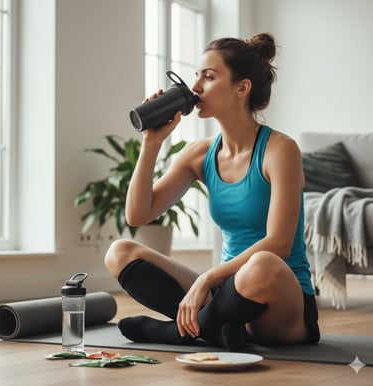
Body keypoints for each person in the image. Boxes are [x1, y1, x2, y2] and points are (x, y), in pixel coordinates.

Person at [104, 33, 320, 351]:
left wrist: (206, 279)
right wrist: (151, 143)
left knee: (262, 262)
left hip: (278, 300)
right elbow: (138, 214)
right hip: (225, 296)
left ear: (241, 88)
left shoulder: (279, 149)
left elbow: (279, 244)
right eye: (196, 76)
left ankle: (177, 333)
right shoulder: (199, 154)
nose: (195, 87)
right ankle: (216, 331)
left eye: (209, 76)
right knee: (119, 252)